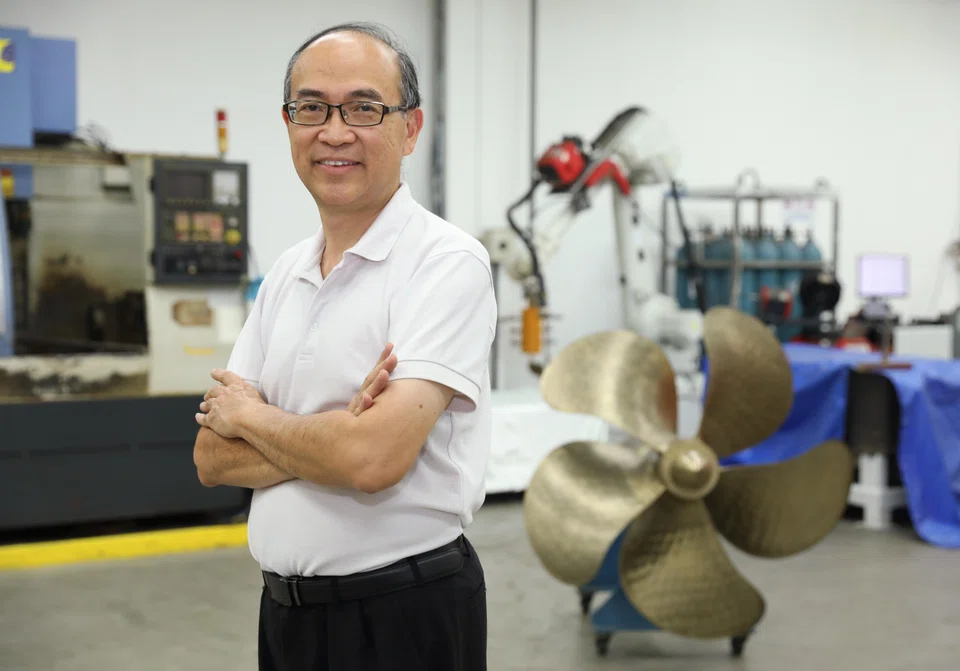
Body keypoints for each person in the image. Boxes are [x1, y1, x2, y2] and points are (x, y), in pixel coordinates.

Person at [192, 21, 497, 671]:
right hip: (286, 617)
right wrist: (335, 432)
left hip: (403, 615)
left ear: (410, 129)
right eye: (312, 108)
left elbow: (372, 459)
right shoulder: (285, 274)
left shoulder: (446, 263)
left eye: (363, 108)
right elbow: (211, 457)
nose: (334, 132)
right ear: (289, 124)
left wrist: (253, 418)